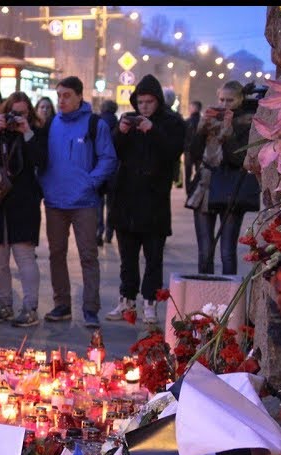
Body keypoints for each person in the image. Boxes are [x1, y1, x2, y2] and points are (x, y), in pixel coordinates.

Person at [107, 74, 187, 329]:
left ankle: (150, 303)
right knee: (127, 258)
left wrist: (152, 130)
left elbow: (173, 152)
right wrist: (120, 132)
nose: (143, 107)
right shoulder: (129, 122)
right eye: (140, 102)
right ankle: (126, 300)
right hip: (126, 201)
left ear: (158, 101)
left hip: (154, 203)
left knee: (154, 258)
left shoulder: (172, 123)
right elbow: (114, 151)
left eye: (149, 102)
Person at [37, 76, 116, 329]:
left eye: (67, 95)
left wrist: (90, 182)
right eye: (59, 95)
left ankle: (90, 309)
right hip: (55, 201)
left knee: (88, 256)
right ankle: (62, 305)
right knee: (56, 254)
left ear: (80, 96)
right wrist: (44, 184)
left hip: (84, 202)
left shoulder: (95, 124)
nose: (61, 100)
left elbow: (108, 158)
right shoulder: (51, 124)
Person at [0, 91, 46, 327]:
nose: (16, 118)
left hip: (23, 205)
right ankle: (4, 305)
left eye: (22, 114)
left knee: (25, 259)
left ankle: (30, 308)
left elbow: (42, 162)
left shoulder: (35, 134)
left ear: (30, 114)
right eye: (12, 113)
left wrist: (27, 133)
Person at [189, 81, 254, 276]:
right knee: (205, 251)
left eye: (230, 100)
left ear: (240, 99)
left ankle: (228, 297)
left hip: (230, 187)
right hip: (205, 186)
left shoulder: (247, 121)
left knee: (227, 251)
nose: (225, 104)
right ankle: (203, 295)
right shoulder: (210, 120)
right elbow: (194, 153)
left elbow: (238, 158)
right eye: (221, 99)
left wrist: (228, 131)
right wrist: (201, 128)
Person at [96, 99, 120, 247]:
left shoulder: (97, 123)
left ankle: (98, 231)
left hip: (99, 168)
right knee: (112, 204)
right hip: (115, 171)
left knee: (98, 203)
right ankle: (109, 234)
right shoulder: (119, 124)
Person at [183, 100, 203, 195]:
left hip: (189, 152)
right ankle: (196, 190)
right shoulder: (203, 121)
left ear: (195, 108)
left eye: (190, 107)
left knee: (188, 174)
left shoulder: (187, 122)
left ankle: (189, 192)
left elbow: (183, 137)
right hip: (201, 151)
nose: (189, 109)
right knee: (199, 173)